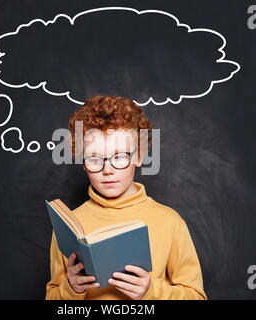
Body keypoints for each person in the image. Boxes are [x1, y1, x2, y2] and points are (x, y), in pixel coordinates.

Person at [45, 95, 207, 300]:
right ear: (83, 163)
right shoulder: (68, 225)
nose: (108, 170)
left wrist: (151, 292)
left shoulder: (170, 221)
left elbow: (197, 297)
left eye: (120, 157)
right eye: (94, 159)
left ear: (139, 156)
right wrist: (71, 288)